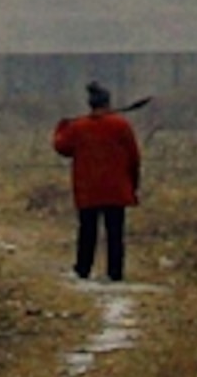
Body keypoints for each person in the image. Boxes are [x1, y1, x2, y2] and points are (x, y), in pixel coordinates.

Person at [50, 80, 143, 281]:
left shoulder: (79, 127)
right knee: (115, 233)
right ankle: (115, 273)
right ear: (108, 103)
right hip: (116, 189)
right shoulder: (121, 125)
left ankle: (83, 269)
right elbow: (134, 158)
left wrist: (61, 127)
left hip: (88, 189)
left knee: (87, 231)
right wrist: (133, 185)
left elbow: (61, 147)